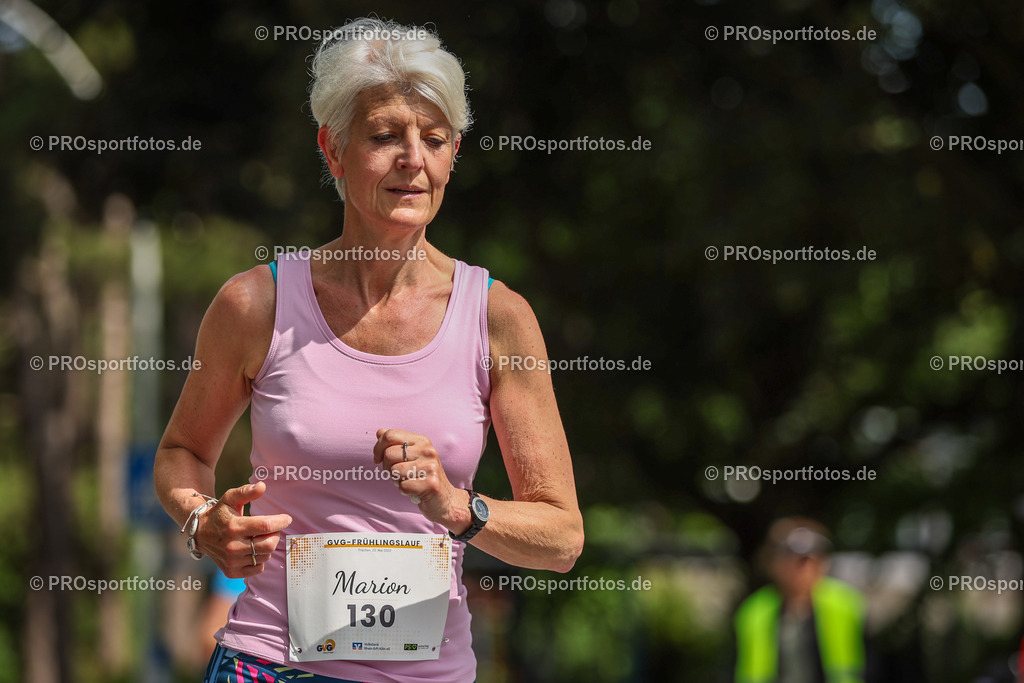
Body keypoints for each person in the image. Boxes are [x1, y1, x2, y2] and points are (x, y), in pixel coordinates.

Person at [154, 17, 583, 683]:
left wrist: (457, 505)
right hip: (269, 664)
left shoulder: (498, 317)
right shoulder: (254, 305)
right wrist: (200, 518)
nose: (414, 159)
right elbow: (183, 453)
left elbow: (561, 537)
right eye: (386, 137)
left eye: (435, 140)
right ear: (333, 150)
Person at [734, 518, 866, 683]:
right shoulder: (755, 611)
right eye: (796, 562)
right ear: (774, 564)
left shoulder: (845, 604)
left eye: (810, 561)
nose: (804, 570)